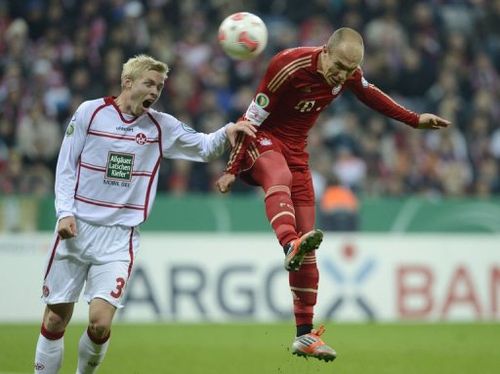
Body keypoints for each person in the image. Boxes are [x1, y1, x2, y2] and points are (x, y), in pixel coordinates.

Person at [216, 27, 450, 362]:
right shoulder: (287, 65)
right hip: (261, 143)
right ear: (325, 49)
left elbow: (371, 94)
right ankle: (287, 243)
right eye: (338, 66)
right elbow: (250, 119)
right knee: (281, 183)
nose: (341, 75)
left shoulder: (349, 73)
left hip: (297, 152)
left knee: (309, 246)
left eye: (348, 70)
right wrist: (231, 168)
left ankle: (305, 335)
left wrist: (414, 120)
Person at [33, 54, 256, 374]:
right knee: (56, 317)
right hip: (77, 227)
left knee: (99, 324)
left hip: (119, 238)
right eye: (149, 83)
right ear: (128, 82)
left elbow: (204, 147)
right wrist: (64, 212)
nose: (155, 91)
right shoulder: (90, 112)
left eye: (160, 86)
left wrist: (228, 131)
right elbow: (66, 165)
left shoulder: (160, 126)